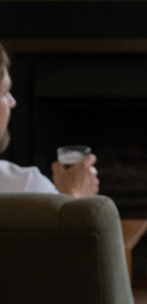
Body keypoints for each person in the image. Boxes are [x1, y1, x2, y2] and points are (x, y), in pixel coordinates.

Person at [0, 43, 99, 196]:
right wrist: (74, 195)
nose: (13, 102)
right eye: (5, 92)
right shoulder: (26, 187)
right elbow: (63, 220)